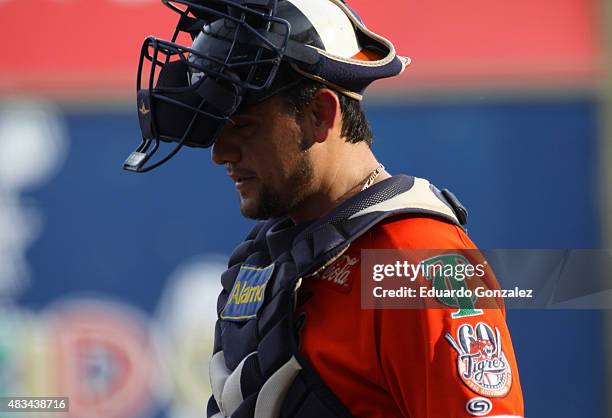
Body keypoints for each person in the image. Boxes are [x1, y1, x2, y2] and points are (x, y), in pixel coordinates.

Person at [124, 0, 525, 417]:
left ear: (320, 114)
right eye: (215, 127)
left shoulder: (420, 261)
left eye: (242, 125)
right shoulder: (272, 252)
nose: (220, 152)